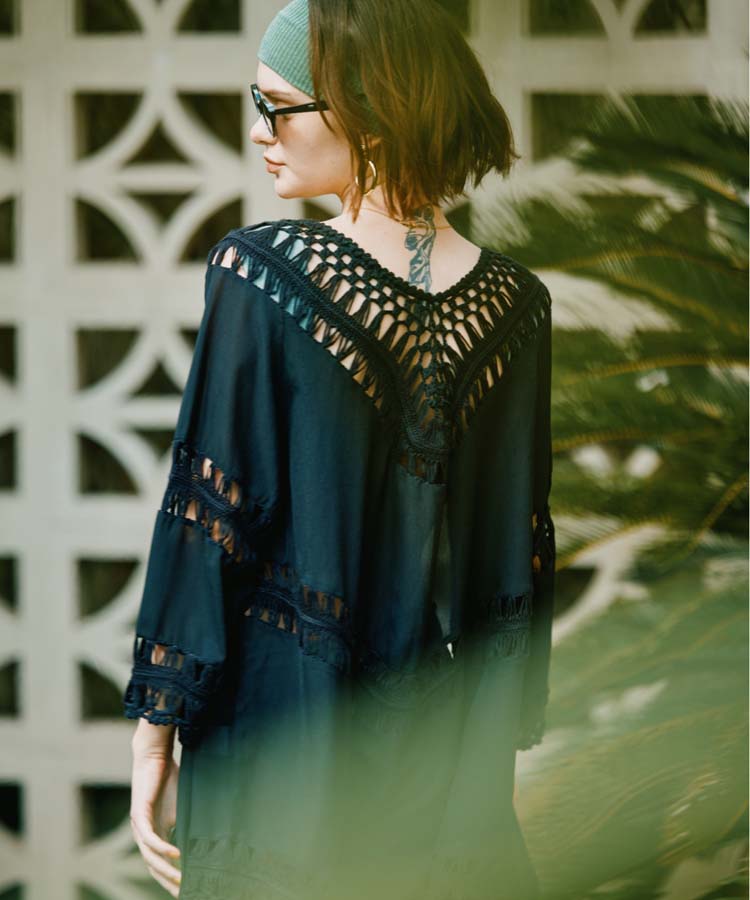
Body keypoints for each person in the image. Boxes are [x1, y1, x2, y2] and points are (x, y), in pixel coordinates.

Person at [123, 0, 557, 898]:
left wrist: (155, 728)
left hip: (275, 753)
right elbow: (511, 565)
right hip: (444, 771)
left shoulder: (261, 275)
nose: (259, 131)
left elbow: (210, 515)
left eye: (278, 106)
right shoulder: (516, 306)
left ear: (368, 115)